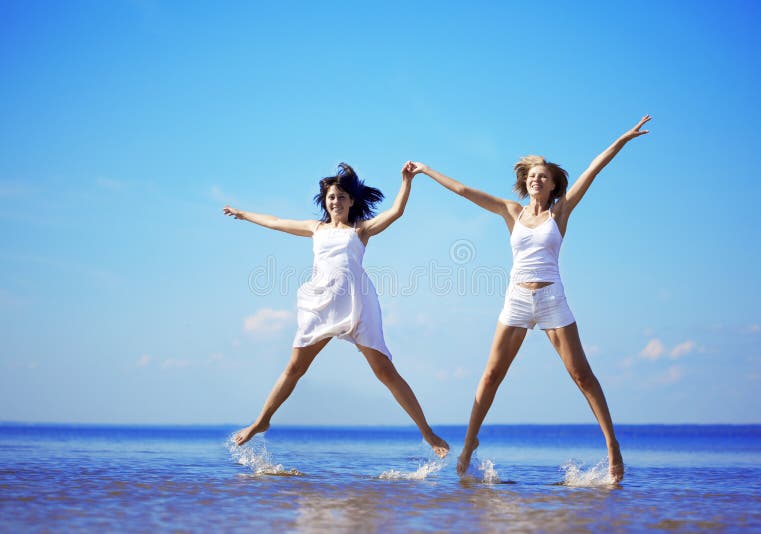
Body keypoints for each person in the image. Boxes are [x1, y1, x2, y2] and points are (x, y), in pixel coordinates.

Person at [411, 116, 651, 481]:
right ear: (525, 182)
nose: (536, 179)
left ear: (553, 184)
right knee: (492, 374)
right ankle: (470, 441)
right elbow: (462, 189)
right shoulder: (512, 211)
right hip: (517, 299)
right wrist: (427, 170)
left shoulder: (561, 211)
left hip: (552, 297)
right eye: (532, 175)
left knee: (582, 376)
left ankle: (613, 447)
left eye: (543, 176)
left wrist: (622, 139)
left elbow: (593, 169)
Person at [223, 162, 449, 458]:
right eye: (331, 197)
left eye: (342, 197)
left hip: (357, 304)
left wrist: (406, 181)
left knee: (385, 371)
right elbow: (276, 221)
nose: (336, 201)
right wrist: (243, 214)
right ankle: (261, 421)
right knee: (295, 368)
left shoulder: (361, 230)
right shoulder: (315, 228)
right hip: (322, 305)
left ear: (351, 201)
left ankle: (427, 433)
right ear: (325, 201)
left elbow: (396, 213)